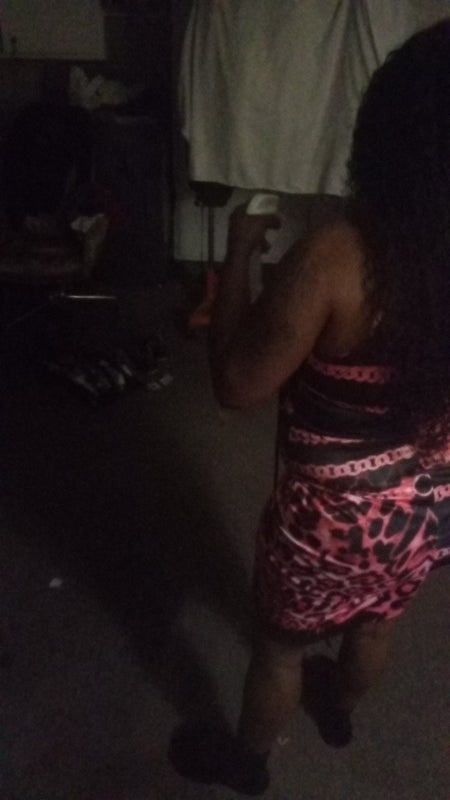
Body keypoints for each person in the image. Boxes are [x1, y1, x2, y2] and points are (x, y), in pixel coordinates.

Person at [169, 19, 450, 796]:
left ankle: (248, 763)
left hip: (335, 518)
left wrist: (237, 252)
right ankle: (340, 713)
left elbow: (236, 384)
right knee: (377, 619)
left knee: (280, 650)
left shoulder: (337, 256)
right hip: (430, 503)